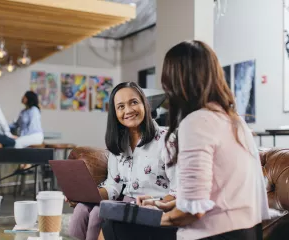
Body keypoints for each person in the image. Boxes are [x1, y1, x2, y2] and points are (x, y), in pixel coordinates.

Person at [101, 41, 269, 240]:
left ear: (177, 80)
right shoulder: (235, 120)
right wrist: (164, 204)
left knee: (114, 225)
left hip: (214, 234)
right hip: (249, 232)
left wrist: (143, 217)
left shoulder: (196, 123)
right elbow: (210, 195)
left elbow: (192, 212)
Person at [68, 82, 177, 240]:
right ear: (115, 113)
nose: (128, 110)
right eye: (120, 106)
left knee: (98, 213)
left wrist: (156, 203)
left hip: (154, 206)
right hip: (125, 203)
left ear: (144, 104)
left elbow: (178, 190)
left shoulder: (167, 139)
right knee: (82, 209)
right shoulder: (120, 143)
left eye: (134, 102)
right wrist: (82, 195)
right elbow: (113, 186)